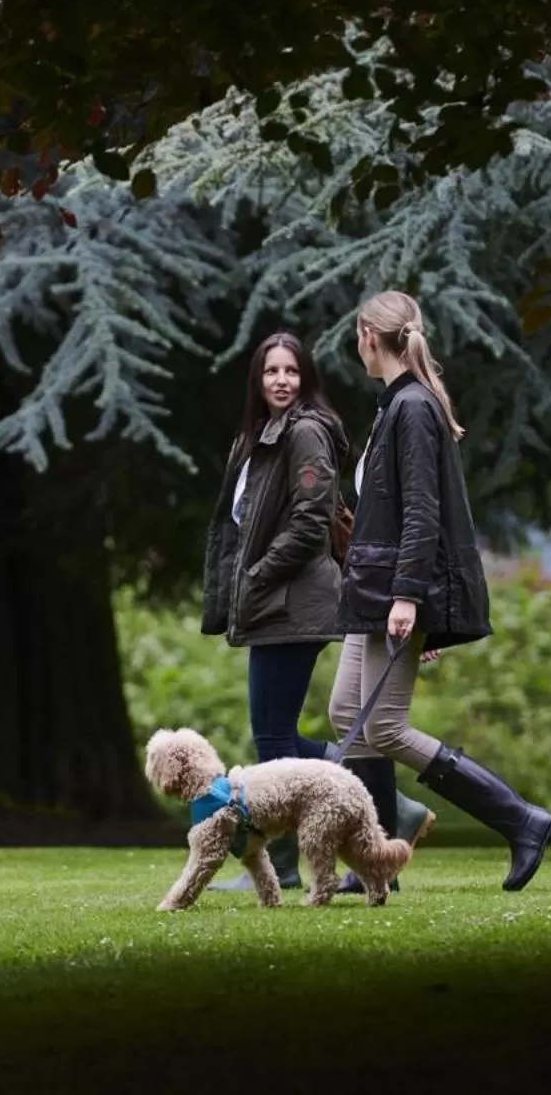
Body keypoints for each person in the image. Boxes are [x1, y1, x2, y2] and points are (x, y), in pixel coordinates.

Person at [329, 291, 551, 893]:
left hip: (392, 590)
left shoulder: (412, 407)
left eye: (357, 336)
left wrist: (409, 598)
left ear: (369, 336)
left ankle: (522, 819)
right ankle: (375, 861)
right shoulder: (395, 404)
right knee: (347, 714)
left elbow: (422, 512)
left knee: (384, 727)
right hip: (375, 589)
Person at [199, 331, 437, 893]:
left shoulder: (305, 431)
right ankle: (394, 807)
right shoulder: (258, 434)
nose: (281, 380)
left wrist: (258, 575)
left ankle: (281, 866)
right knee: (278, 733)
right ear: (257, 379)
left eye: (291, 371)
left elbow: (310, 522)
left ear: (305, 378)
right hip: (272, 600)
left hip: (294, 600)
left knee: (272, 738)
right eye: (271, 371)